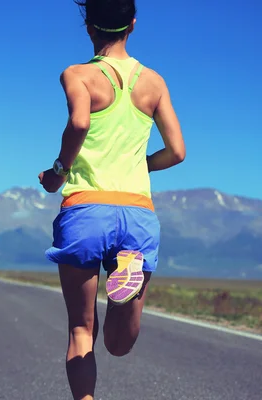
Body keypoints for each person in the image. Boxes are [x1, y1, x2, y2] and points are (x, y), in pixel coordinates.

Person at [38, 1, 185, 399]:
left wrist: (57, 171)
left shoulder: (78, 75)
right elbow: (177, 151)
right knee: (119, 344)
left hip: (86, 209)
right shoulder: (153, 82)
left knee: (82, 329)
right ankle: (123, 291)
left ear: (89, 27)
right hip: (136, 211)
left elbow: (80, 122)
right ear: (132, 25)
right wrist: (139, 166)